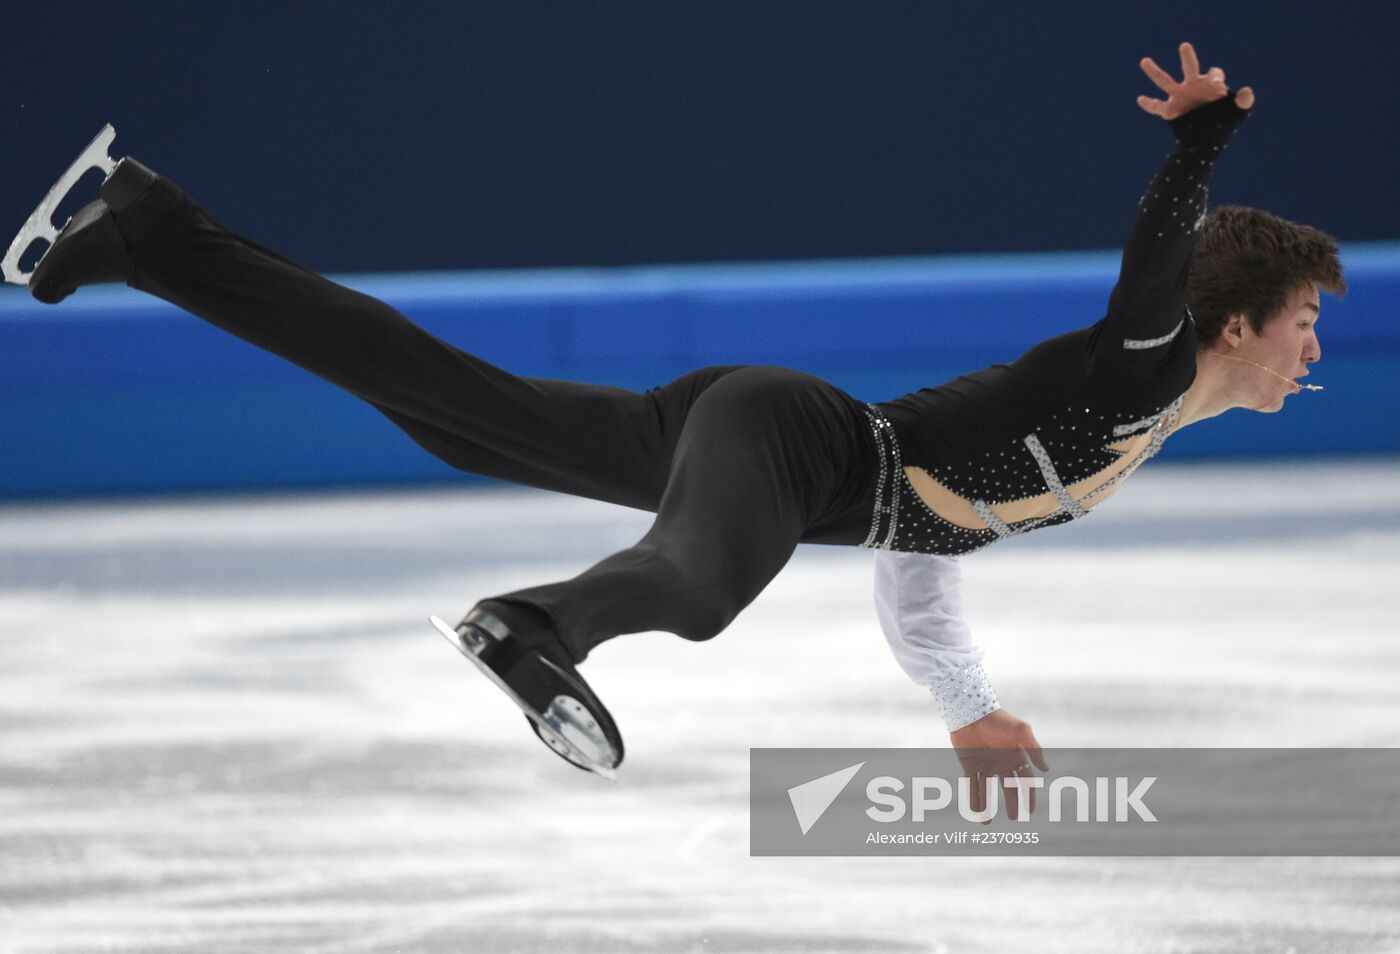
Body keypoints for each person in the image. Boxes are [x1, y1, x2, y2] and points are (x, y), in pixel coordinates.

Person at [15, 42, 1345, 809]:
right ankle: (534, 624)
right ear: (1231, 323)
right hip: (798, 439)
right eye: (1302, 319)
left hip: (774, 442)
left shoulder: (1142, 417)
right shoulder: (1142, 367)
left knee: (462, 417)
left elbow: (921, 562)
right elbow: (1155, 262)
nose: (1313, 347)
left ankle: (158, 233)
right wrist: (1202, 143)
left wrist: (967, 708)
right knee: (702, 591)